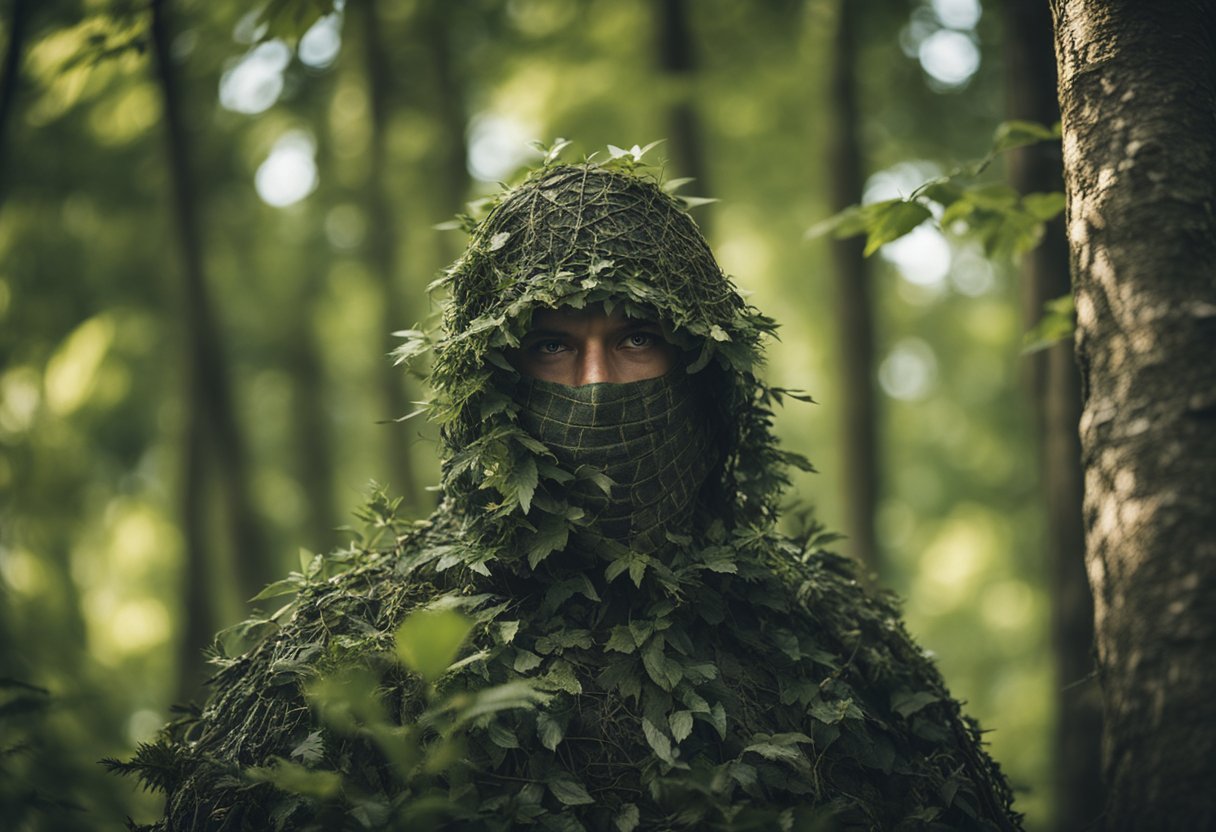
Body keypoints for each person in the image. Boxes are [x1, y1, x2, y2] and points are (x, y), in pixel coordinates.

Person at [115, 157, 1020, 831]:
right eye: (552, 345)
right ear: (493, 377)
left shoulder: (837, 649)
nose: (593, 382)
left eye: (634, 339)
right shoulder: (350, 652)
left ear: (702, 367)